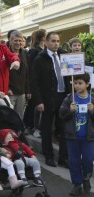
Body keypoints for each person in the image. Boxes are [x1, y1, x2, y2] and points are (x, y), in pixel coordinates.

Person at [31, 32, 68, 168]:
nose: (56, 43)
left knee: (63, 129)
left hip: (63, 97)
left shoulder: (64, 55)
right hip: (47, 99)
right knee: (46, 129)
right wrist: (39, 101)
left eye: (58, 41)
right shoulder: (40, 58)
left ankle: (63, 158)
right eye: (53, 41)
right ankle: (49, 156)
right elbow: (34, 82)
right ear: (46, 42)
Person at [59, 73, 94, 196]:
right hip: (72, 136)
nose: (77, 86)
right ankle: (77, 184)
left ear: (87, 84)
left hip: (88, 137)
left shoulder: (92, 99)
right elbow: (61, 114)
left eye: (80, 83)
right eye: (75, 83)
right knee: (73, 161)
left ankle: (86, 178)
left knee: (88, 160)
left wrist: (92, 111)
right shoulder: (70, 98)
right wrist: (69, 110)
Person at [24, 29, 46, 137]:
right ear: (42, 38)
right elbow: (30, 69)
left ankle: (38, 127)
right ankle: (32, 127)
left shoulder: (45, 50)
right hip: (35, 83)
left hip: (43, 83)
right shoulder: (34, 51)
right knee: (34, 106)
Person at [8, 30, 31, 120]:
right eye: (16, 40)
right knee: (9, 117)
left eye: (20, 40)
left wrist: (28, 90)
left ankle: (18, 134)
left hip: (21, 92)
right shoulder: (6, 54)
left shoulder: (24, 53)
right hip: (10, 92)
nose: (18, 43)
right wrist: (6, 88)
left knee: (19, 118)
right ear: (10, 41)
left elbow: (27, 73)